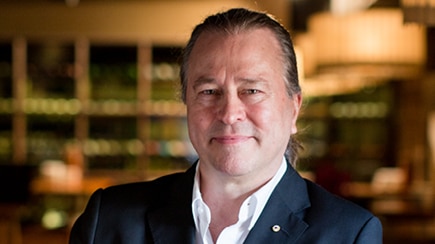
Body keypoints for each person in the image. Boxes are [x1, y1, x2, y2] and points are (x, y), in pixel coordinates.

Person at [69, 8, 382, 243]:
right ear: (187, 104)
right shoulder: (108, 220)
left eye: (252, 90)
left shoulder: (350, 233)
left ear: (294, 109)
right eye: (209, 92)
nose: (230, 113)